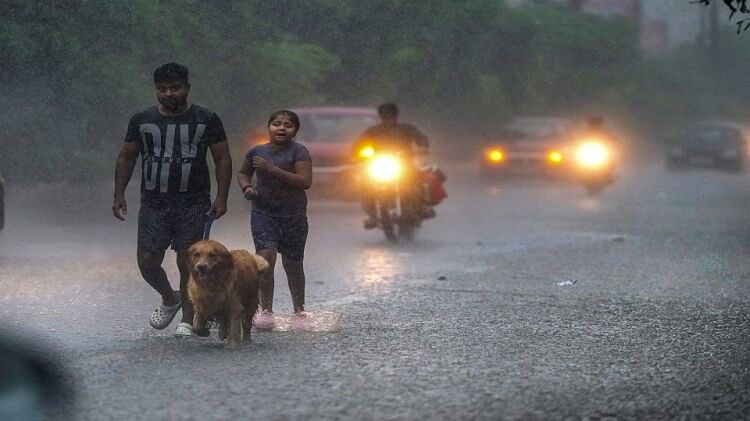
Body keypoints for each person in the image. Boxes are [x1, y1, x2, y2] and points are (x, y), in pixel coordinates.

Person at [112, 62, 232, 337]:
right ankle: (170, 298)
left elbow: (222, 157)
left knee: (187, 261)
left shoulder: (206, 119)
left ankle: (189, 320)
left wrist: (222, 196)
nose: (169, 94)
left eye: (175, 88)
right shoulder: (141, 120)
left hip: (193, 200)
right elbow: (127, 156)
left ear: (187, 88)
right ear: (156, 90)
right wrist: (119, 193)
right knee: (147, 260)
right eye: (163, 89)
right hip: (154, 201)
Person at [237, 110, 313, 331]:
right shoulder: (256, 151)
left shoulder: (299, 152)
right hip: (263, 213)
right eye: (276, 124)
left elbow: (305, 181)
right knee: (265, 261)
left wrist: (272, 169)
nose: (281, 128)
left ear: (295, 132)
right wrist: (247, 187)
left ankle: (299, 312)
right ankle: (266, 312)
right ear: (268, 127)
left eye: (288, 125)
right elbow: (243, 173)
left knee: (293, 264)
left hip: (293, 216)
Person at [353, 103, 429, 228]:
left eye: (391, 115)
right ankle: (373, 215)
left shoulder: (407, 129)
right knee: (366, 186)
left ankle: (422, 207)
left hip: (405, 165)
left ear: (396, 116)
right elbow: (358, 146)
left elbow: (421, 139)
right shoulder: (373, 131)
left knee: (417, 180)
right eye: (385, 115)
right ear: (381, 116)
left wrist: (422, 147)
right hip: (380, 165)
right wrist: (357, 155)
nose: (388, 118)